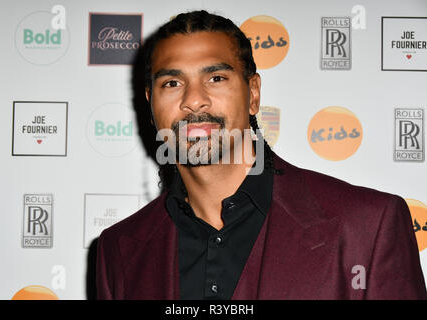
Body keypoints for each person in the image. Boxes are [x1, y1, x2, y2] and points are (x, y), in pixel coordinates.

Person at [96, 10, 427, 300]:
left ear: (253, 94)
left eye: (216, 78)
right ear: (150, 103)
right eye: (171, 83)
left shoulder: (367, 226)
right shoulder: (118, 249)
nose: (194, 100)